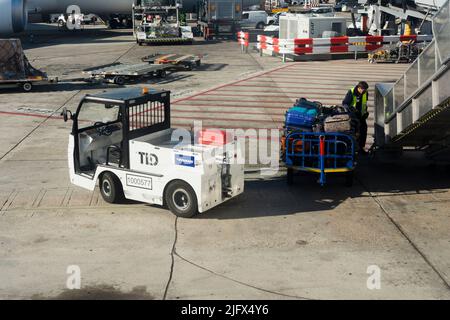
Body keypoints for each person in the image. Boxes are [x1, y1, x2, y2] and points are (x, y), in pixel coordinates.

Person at [342, 81, 369, 154]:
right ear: (359, 88)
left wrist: (366, 112)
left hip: (361, 116)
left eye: (365, 89)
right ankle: (352, 149)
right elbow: (344, 103)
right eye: (362, 89)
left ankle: (361, 148)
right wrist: (351, 110)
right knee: (354, 132)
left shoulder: (365, 93)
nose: (363, 91)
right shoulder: (351, 92)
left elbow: (364, 103)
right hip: (353, 116)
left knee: (363, 131)